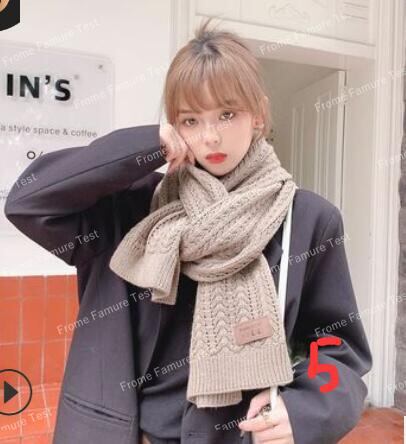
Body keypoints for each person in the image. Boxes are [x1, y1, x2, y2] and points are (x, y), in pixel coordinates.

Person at [4, 17, 372, 444]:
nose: (210, 136)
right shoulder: (131, 207)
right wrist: (145, 147)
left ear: (258, 115)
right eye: (191, 120)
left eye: (227, 114)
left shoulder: (306, 219)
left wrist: (309, 408)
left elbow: (336, 347)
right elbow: (29, 202)